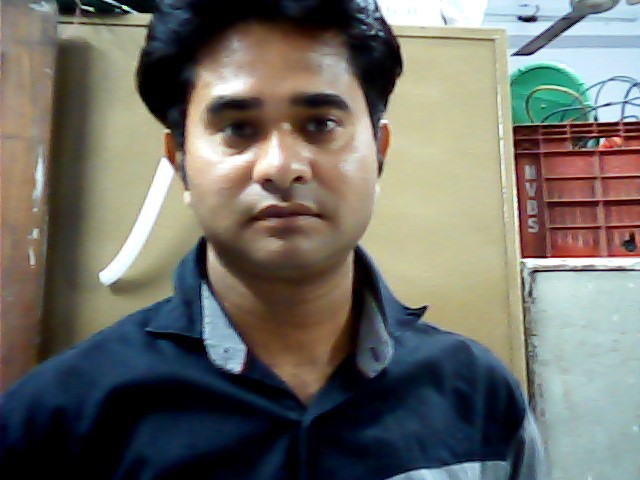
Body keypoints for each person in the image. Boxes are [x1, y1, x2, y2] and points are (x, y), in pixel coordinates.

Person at [0, 0, 547, 478]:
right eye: (238, 129)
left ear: (379, 152)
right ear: (179, 162)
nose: (281, 167)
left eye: (320, 124)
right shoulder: (57, 421)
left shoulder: (478, 396)